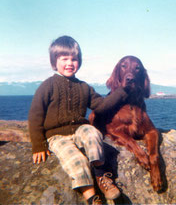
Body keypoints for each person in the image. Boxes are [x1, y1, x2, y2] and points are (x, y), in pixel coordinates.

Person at [28, 36, 130, 205]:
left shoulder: (84, 87)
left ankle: (101, 176)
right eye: (64, 59)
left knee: (92, 133)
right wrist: (38, 144)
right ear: (54, 62)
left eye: (74, 59)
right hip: (56, 136)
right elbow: (35, 115)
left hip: (78, 130)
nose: (70, 63)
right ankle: (91, 197)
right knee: (77, 160)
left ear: (79, 61)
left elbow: (102, 105)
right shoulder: (48, 85)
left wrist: (121, 92)